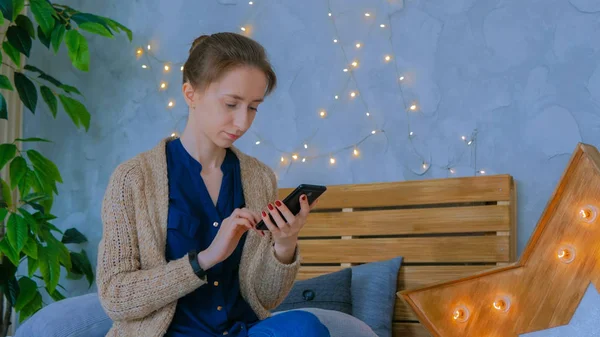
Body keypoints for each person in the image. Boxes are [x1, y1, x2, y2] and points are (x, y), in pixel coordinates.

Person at [96, 32, 331, 337]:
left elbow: (265, 298)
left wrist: (284, 245)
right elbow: (115, 297)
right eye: (231, 104)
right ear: (190, 94)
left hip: (240, 330)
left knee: (305, 327)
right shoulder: (133, 179)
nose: (243, 122)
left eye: (253, 107)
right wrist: (206, 258)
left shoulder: (259, 178)